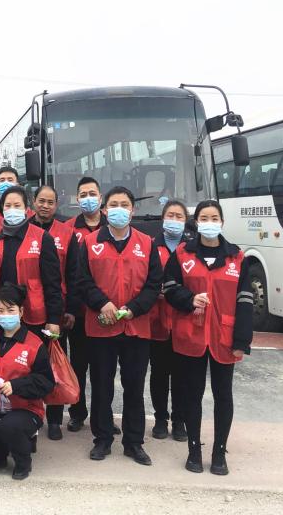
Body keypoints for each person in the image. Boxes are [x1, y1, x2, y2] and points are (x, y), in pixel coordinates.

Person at [163, 200, 253, 475]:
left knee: (223, 395)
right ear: (196, 222)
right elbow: (169, 288)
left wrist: (242, 341)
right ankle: (194, 450)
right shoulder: (182, 254)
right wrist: (190, 299)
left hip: (225, 338)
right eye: (204, 218)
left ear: (222, 222)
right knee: (192, 394)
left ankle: (219, 453)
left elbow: (245, 301)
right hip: (191, 335)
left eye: (214, 218)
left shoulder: (237, 257)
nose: (210, 223)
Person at [78, 186, 162, 465]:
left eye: (124, 204)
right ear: (104, 210)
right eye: (113, 204)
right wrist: (102, 303)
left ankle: (134, 442)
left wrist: (134, 308)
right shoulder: (90, 242)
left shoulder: (147, 243)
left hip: (136, 327)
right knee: (101, 385)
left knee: (134, 387)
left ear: (132, 210)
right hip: (101, 326)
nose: (119, 209)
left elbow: (154, 285)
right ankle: (102, 439)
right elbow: (82, 281)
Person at [0, 283, 55, 480]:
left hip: (26, 411)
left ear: (21, 312)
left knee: (10, 427)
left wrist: (16, 386)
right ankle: (2, 449)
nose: (5, 315)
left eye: (10, 310)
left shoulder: (34, 345)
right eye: (0, 311)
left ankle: (24, 460)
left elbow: (46, 382)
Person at [28, 185, 80, 441]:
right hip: (26, 311)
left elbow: (73, 275)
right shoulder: (24, 229)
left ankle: (56, 419)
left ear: (56, 205)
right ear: (33, 202)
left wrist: (70, 310)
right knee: (28, 365)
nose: (45, 206)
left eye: (50, 202)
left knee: (54, 365)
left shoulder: (67, 234)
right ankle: (30, 414)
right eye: (41, 201)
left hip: (55, 311)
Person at [0, 186, 63, 341]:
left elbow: (53, 283)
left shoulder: (42, 238)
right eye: (8, 205)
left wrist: (54, 319)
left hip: (32, 313)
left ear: (26, 209)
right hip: (0, 314)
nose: (12, 209)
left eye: (17, 205)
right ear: (2, 208)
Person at [63, 176, 107, 434]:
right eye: (83, 194)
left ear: (100, 198)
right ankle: (77, 413)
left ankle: (103, 417)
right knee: (78, 366)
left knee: (103, 370)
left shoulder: (112, 227)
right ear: (77, 199)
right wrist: (70, 308)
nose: (88, 198)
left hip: (106, 312)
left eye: (92, 193)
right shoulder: (69, 229)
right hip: (79, 312)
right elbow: (68, 273)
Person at [148, 199, 189, 442]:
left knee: (182, 374)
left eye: (179, 216)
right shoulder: (152, 246)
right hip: (157, 320)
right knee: (159, 373)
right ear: (163, 218)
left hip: (184, 319)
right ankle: (161, 419)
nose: (174, 220)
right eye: (170, 215)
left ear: (186, 221)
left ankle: (180, 420)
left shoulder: (191, 248)